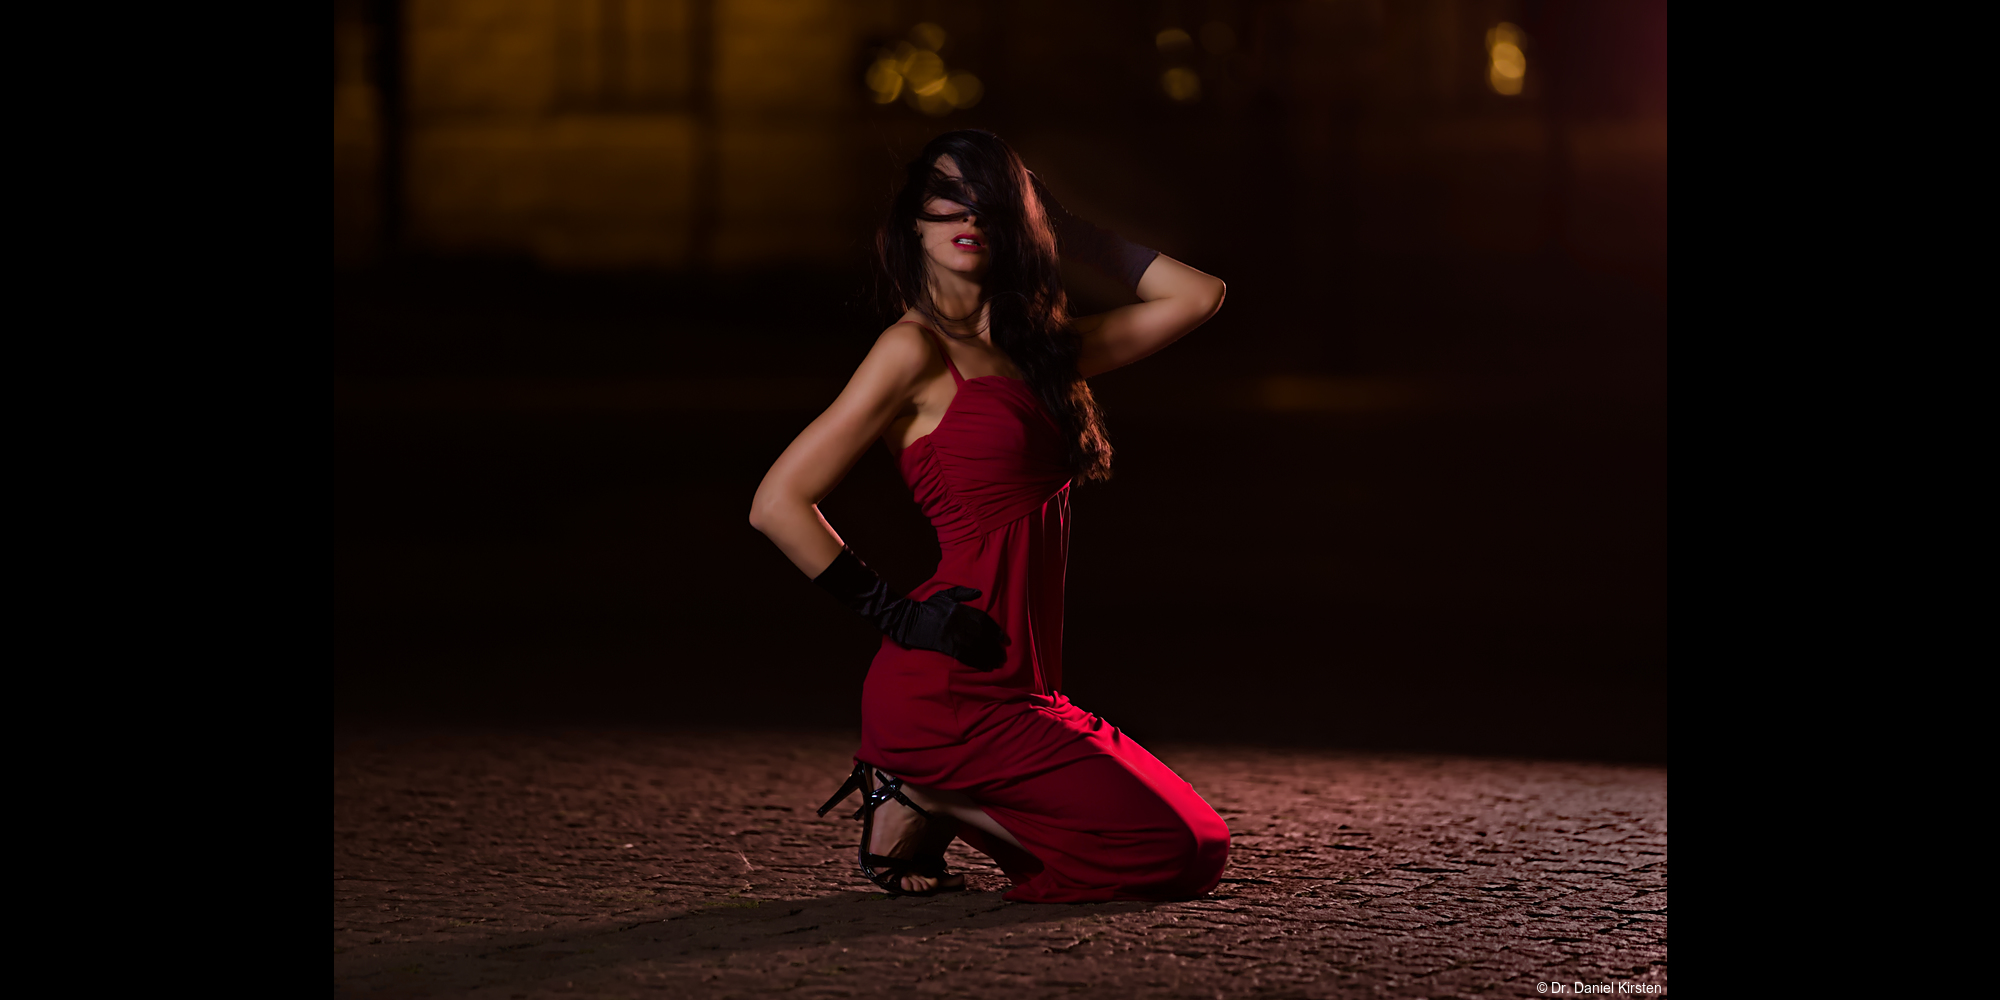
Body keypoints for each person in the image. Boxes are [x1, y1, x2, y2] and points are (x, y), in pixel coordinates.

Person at [748, 129, 1228, 902]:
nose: (966, 213)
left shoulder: (1040, 354)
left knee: (1201, 842)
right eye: (946, 196)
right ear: (913, 222)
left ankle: (923, 798)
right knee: (1173, 854)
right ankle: (923, 789)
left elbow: (1198, 296)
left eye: (988, 198)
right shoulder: (909, 350)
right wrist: (896, 616)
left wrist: (1067, 229)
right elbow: (776, 503)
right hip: (947, 687)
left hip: (1027, 687)